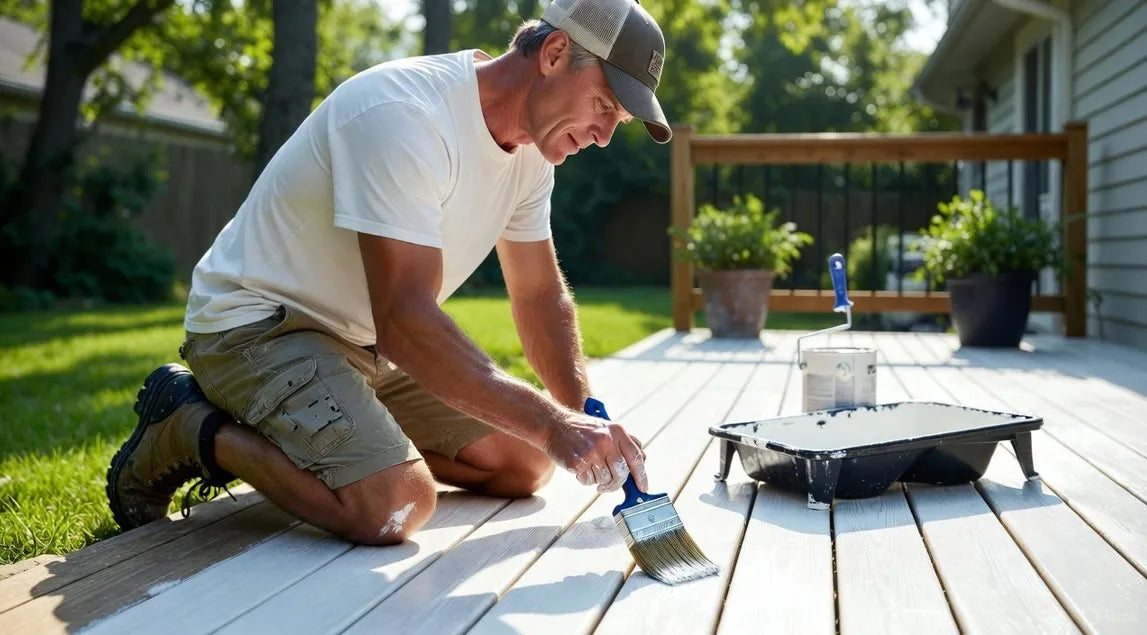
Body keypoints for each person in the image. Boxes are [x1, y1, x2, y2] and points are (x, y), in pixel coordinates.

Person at [106, 0, 672, 545]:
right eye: (603, 105)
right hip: (258, 326)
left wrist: (584, 419)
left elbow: (540, 297)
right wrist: (553, 424)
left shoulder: (532, 153)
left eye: (615, 122)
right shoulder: (405, 114)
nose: (603, 136)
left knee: (525, 464)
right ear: (553, 54)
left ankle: (338, 448)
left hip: (362, 343)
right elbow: (404, 317)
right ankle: (189, 424)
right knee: (393, 504)